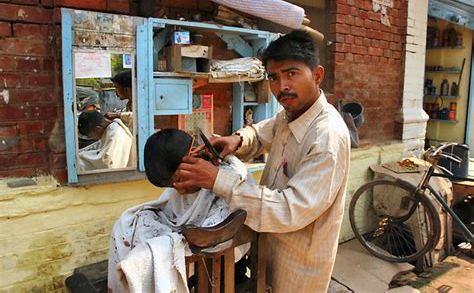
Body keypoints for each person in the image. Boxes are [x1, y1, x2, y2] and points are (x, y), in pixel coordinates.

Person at [174, 30, 351, 292]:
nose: (282, 87)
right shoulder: (290, 114)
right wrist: (237, 139)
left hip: (297, 266)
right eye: (274, 77)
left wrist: (217, 180)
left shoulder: (327, 138)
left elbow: (288, 210)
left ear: (317, 75)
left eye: (292, 73)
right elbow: (261, 131)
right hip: (265, 249)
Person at [107, 129, 252, 292]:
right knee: (126, 224)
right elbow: (171, 211)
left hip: (222, 265)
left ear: (194, 160)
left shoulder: (233, 177)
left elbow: (213, 233)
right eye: (172, 187)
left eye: (180, 181)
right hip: (195, 248)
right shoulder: (183, 178)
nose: (180, 191)